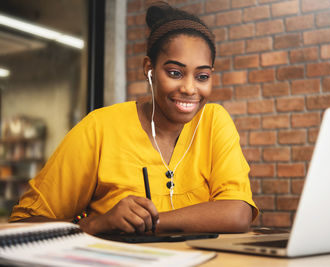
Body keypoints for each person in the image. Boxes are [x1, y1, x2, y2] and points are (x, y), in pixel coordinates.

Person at [9, 1, 258, 235]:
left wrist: (148, 223)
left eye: (202, 77)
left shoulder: (214, 122)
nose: (190, 88)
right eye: (175, 72)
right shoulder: (100, 128)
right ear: (149, 69)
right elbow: (24, 224)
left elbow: (237, 213)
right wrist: (99, 222)